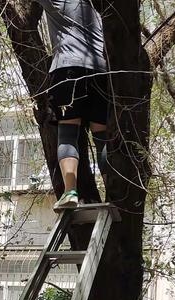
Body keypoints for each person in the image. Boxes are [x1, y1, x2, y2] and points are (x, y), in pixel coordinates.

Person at [34, 0, 109, 210]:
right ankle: (114, 192)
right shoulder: (99, 5)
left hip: (68, 70)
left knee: (67, 134)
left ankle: (70, 192)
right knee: (102, 137)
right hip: (100, 73)